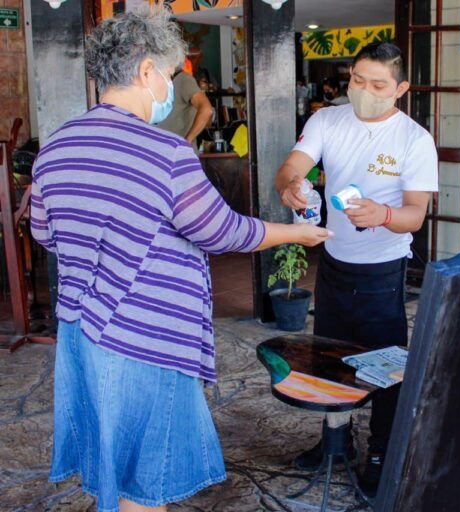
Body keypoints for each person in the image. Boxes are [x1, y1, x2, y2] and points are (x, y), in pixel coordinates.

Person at [31, 7, 330, 512]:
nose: (170, 87)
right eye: (170, 74)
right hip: (146, 333)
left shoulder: (56, 147)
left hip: (82, 332)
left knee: (114, 467)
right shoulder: (166, 152)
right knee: (145, 485)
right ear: (147, 70)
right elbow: (222, 230)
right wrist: (297, 233)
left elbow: (46, 232)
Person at [275, 42, 438, 497]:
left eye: (378, 85)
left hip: (382, 272)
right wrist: (291, 186)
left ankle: (382, 452)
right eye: (357, 81)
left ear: (401, 89)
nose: (365, 91)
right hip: (333, 264)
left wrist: (383, 215)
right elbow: (292, 166)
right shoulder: (327, 120)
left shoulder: (414, 140)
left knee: (386, 368)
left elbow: (415, 215)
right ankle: (336, 439)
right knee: (329, 359)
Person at [157, 60, 214, 149]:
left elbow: (207, 110)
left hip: (177, 151)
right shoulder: (161, 82)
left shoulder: (183, 79)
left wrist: (187, 141)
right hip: (163, 150)